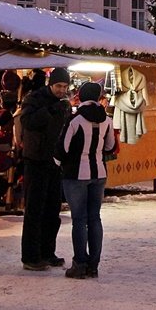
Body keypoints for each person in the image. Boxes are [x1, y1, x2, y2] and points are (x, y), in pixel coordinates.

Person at [57, 81, 117, 279]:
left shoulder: (75, 120)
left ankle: (79, 263)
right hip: (99, 173)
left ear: (81, 96)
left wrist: (61, 163)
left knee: (79, 220)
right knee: (95, 218)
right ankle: (94, 265)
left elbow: (62, 150)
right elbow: (110, 147)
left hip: (76, 175)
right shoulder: (107, 120)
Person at [16, 66, 71, 271]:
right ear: (50, 83)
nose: (61, 90)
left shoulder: (63, 103)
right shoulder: (34, 99)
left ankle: (47, 252)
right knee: (35, 209)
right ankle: (30, 256)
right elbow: (27, 122)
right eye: (58, 86)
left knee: (51, 209)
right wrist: (48, 112)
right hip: (36, 160)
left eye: (65, 86)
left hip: (54, 162)